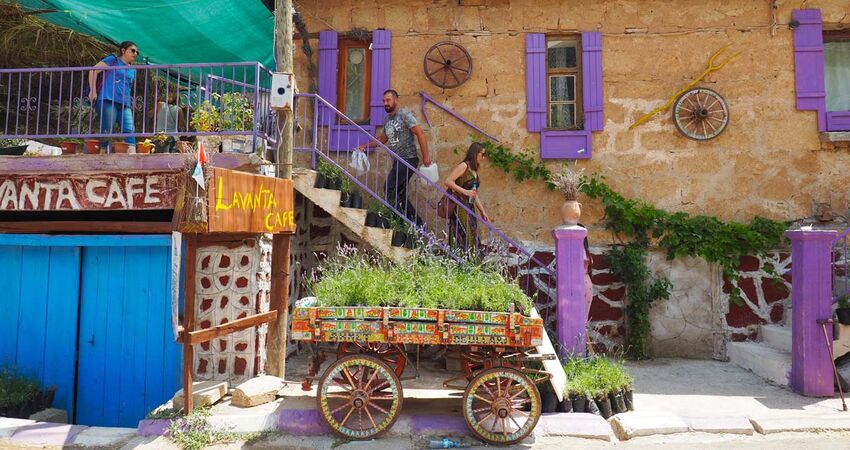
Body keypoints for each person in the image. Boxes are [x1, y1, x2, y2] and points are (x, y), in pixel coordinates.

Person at [357, 89, 432, 227]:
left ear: (396, 100)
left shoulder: (404, 115)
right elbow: (383, 138)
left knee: (389, 188)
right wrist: (366, 145)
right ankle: (417, 225)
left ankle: (397, 223)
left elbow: (420, 133)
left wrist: (426, 157)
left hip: (408, 159)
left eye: (388, 100)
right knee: (400, 195)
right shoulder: (387, 120)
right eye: (384, 101)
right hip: (398, 161)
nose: (385, 103)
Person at [88, 41, 138, 153]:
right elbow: (93, 70)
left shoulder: (132, 69)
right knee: (107, 128)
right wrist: (93, 91)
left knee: (129, 129)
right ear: (123, 50)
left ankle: (133, 156)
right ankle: (103, 152)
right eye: (133, 50)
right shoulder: (113, 60)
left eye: (137, 52)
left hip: (124, 103)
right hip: (108, 99)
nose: (135, 53)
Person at [444, 142, 490, 253]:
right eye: (482, 154)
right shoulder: (464, 166)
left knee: (471, 234)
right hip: (460, 206)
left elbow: (474, 194)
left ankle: (470, 262)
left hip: (469, 207)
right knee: (462, 234)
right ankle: (459, 262)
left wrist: (482, 211)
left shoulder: (474, 170)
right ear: (475, 154)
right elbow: (448, 181)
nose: (483, 157)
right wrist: (465, 191)